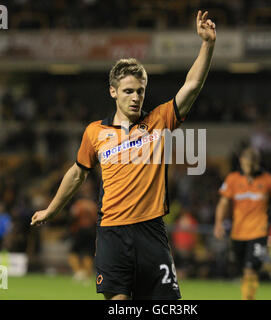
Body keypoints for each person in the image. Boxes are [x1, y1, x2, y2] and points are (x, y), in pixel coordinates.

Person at [31, 10, 216, 300]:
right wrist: (53, 209)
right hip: (112, 233)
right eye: (128, 91)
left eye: (140, 91)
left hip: (151, 232)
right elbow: (78, 172)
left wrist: (207, 44)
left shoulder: (159, 120)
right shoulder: (94, 132)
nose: (136, 97)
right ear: (113, 92)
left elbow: (192, 86)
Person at [213, 147, 271, 300]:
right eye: (246, 164)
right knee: (243, 269)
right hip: (238, 233)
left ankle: (248, 298)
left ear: (257, 163)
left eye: (252, 164)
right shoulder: (232, 179)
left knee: (250, 270)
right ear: (241, 161)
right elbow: (223, 203)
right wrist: (218, 224)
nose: (248, 168)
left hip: (259, 232)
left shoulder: (270, 180)